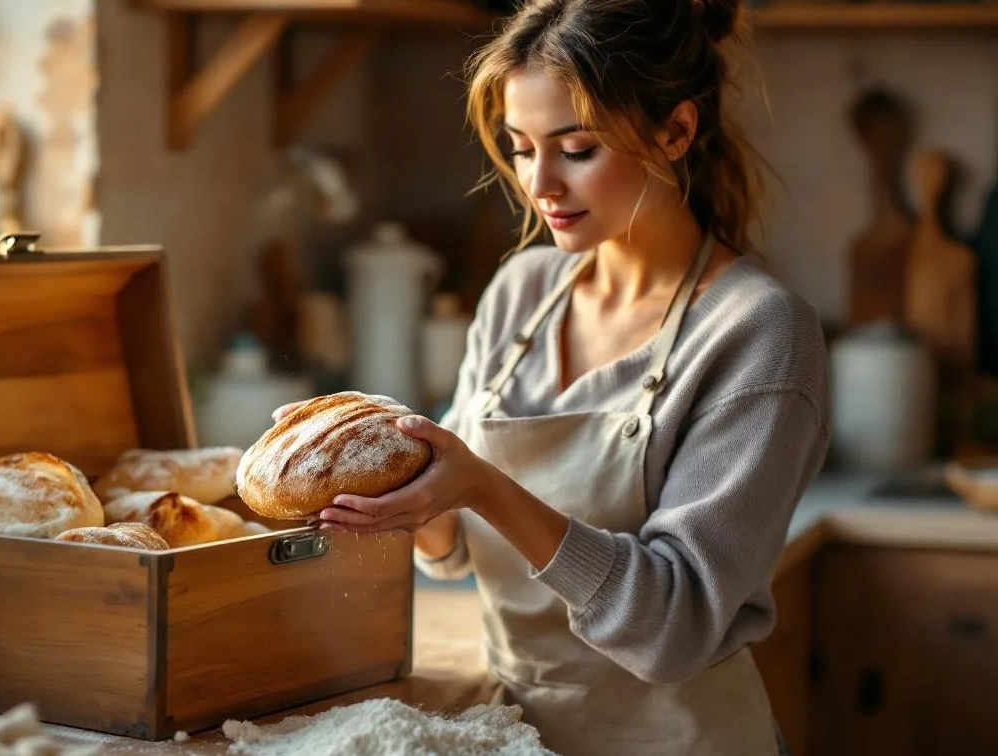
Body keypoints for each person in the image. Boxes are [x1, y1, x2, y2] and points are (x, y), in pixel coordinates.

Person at [274, 1, 829, 754]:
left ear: (676, 131)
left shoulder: (758, 331)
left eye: (576, 149)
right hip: (519, 735)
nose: (540, 185)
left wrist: (479, 485)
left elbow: (675, 626)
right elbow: (459, 551)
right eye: (521, 147)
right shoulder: (523, 291)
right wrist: (396, 489)